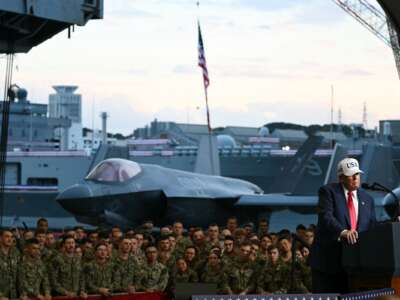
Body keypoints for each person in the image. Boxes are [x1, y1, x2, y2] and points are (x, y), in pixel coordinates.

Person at [310, 157, 376, 293]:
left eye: (357, 174)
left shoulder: (368, 199)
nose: (355, 178)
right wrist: (343, 231)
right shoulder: (328, 192)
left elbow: (372, 226)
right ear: (341, 178)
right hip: (328, 264)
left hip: (355, 265)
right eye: (350, 175)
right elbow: (326, 216)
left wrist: (392, 222)